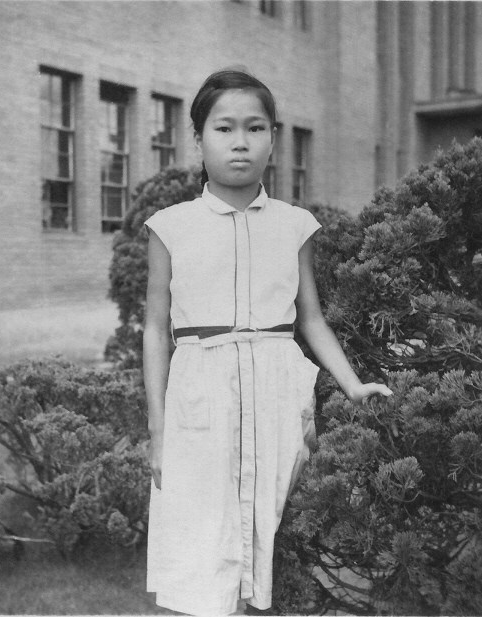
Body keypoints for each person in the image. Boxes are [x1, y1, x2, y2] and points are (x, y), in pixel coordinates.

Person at [142, 69, 392, 616]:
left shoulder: (294, 225)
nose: (240, 142)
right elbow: (156, 329)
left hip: (278, 387)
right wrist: (159, 431)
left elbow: (313, 320)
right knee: (203, 532)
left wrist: (351, 386)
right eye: (224, 128)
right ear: (198, 138)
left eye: (255, 128)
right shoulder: (170, 227)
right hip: (201, 390)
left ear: (273, 138)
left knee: (276, 520)